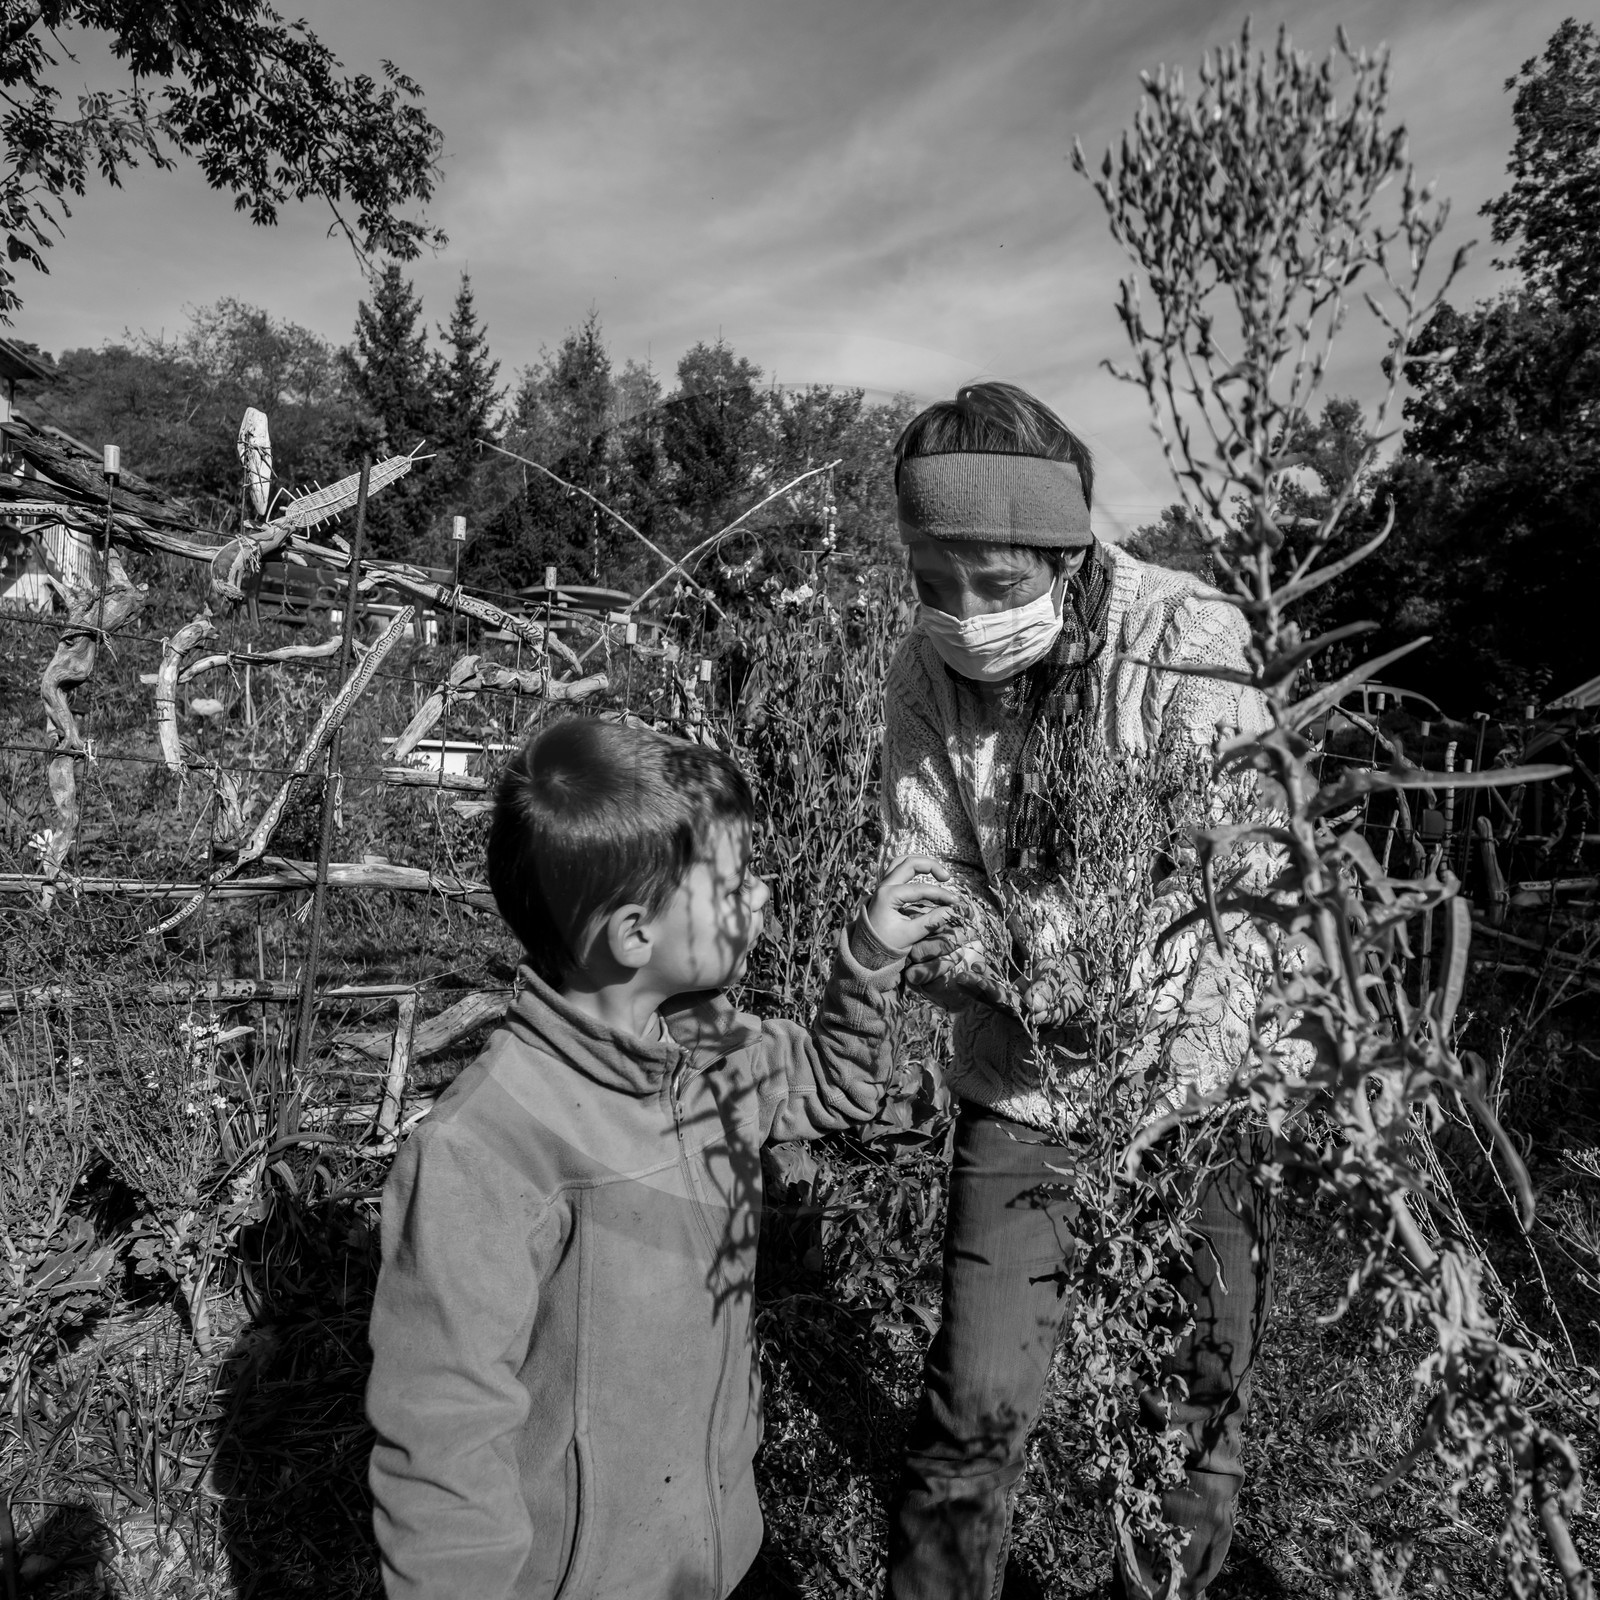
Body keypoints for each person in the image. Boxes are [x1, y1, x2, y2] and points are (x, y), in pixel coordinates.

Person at [366, 715, 959, 1600]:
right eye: (732, 884)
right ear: (636, 935)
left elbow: (836, 1088)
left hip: (713, 1551)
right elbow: (444, 1442)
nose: (760, 896)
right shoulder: (485, 1151)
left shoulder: (714, 1050)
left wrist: (869, 956)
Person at [881, 382, 1278, 1600]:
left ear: (1067, 548)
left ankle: (1164, 1576)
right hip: (1023, 1077)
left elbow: (1245, 873)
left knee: (1195, 1387)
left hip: (1198, 1081)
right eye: (933, 580)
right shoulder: (923, 671)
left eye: (996, 586)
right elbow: (926, 873)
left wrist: (1178, 1062)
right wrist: (1011, 969)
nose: (962, 615)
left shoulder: (1183, 637)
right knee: (972, 1411)